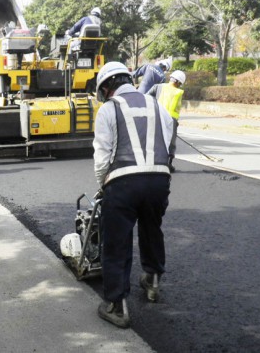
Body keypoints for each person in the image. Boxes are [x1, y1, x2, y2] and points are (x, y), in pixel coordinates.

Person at [93, 61, 173, 328]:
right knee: (152, 229)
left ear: (106, 87)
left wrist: (102, 184)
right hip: (159, 180)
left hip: (123, 182)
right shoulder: (156, 104)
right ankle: (152, 279)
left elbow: (103, 154)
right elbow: (167, 139)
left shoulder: (109, 109)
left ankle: (117, 305)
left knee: (117, 240)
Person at [147, 70, 186, 173]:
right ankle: (168, 164)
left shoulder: (158, 87)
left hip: (158, 117)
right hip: (171, 120)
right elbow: (177, 109)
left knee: (156, 139)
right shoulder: (178, 92)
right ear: (179, 82)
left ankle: (152, 162)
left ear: (171, 78)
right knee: (170, 142)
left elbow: (146, 97)